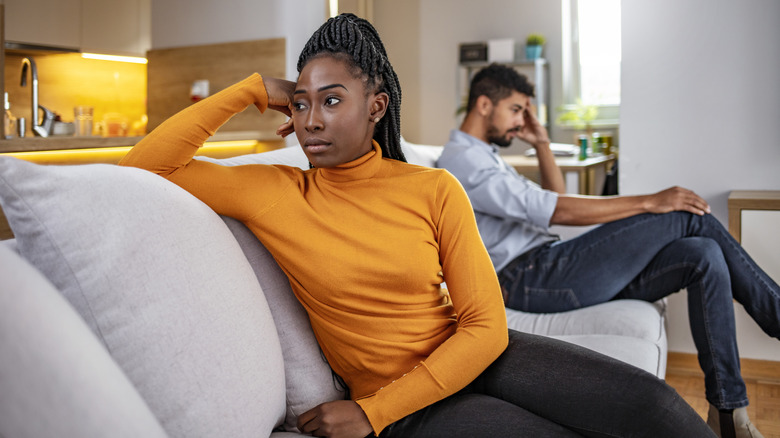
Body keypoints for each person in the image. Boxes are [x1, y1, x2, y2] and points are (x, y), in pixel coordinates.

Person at [119, 15, 716, 438]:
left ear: (376, 107)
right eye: (300, 103)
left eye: (331, 101)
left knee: (655, 406)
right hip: (406, 408)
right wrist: (250, 89)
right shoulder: (276, 193)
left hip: (475, 357)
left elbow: (483, 327)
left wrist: (375, 412)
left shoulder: (432, 188)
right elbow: (142, 169)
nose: (309, 121)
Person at [436, 63, 780, 438]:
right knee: (687, 216)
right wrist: (650, 201)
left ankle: (730, 413)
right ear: (485, 104)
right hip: (530, 275)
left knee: (701, 255)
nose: (521, 122)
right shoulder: (462, 161)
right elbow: (558, 210)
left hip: (547, 265)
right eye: (516, 110)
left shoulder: (485, 156)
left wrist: (542, 145)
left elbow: (554, 202)